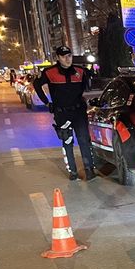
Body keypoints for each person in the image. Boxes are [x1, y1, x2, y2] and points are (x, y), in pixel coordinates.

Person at [34, 45, 96, 181]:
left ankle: (89, 169)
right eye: (64, 56)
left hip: (79, 112)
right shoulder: (49, 72)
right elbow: (37, 84)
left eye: (69, 56)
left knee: (84, 140)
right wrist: (46, 102)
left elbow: (89, 85)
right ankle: (73, 171)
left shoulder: (80, 71)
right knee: (67, 141)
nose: (67, 59)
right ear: (58, 58)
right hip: (62, 113)